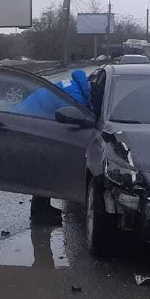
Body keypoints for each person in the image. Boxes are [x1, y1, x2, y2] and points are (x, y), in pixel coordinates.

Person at [13, 70, 92, 226]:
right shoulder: (75, 97)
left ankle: (43, 208)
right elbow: (78, 117)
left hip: (29, 119)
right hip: (29, 124)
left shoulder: (72, 86)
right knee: (42, 170)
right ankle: (39, 214)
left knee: (43, 169)